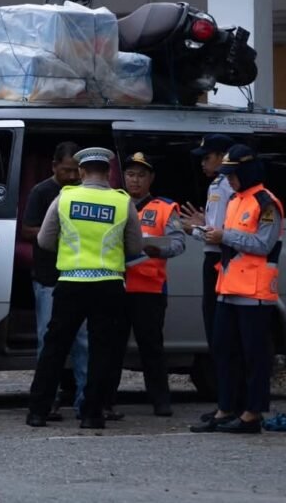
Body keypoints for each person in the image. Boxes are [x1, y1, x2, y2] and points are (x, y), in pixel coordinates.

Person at [26, 147, 143, 429]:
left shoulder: (65, 198)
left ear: (81, 172)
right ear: (108, 173)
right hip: (108, 285)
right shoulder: (122, 201)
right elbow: (135, 246)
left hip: (71, 283)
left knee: (54, 348)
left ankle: (38, 411)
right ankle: (92, 414)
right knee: (101, 350)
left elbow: (44, 241)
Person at [190, 144, 285, 435]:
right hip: (228, 287)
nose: (229, 180)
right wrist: (199, 231)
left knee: (253, 356)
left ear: (248, 172)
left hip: (254, 293)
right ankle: (226, 408)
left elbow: (263, 244)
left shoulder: (266, 203)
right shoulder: (235, 200)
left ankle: (252, 413)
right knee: (223, 350)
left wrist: (224, 236)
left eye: (233, 175)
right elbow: (224, 239)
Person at [106, 152, 185, 417]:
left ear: (151, 178)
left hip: (149, 290)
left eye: (141, 175)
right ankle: (106, 401)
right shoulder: (113, 203)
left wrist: (158, 250)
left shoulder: (165, 208)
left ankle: (161, 401)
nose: (135, 180)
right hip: (115, 287)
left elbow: (179, 243)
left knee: (151, 348)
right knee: (112, 348)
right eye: (130, 174)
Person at [20, 141, 88, 421]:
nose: (71, 176)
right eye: (66, 170)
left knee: (83, 342)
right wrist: (59, 232)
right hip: (48, 276)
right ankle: (49, 401)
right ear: (53, 166)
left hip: (80, 275)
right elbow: (27, 230)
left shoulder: (86, 193)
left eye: (76, 171)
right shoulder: (42, 192)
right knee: (48, 342)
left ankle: (86, 402)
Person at [180, 134, 235, 356]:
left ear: (222, 157)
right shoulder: (224, 184)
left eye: (207, 157)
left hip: (217, 257)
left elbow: (216, 234)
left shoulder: (221, 186)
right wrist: (204, 223)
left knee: (215, 323)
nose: (202, 163)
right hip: (223, 257)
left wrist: (192, 229)